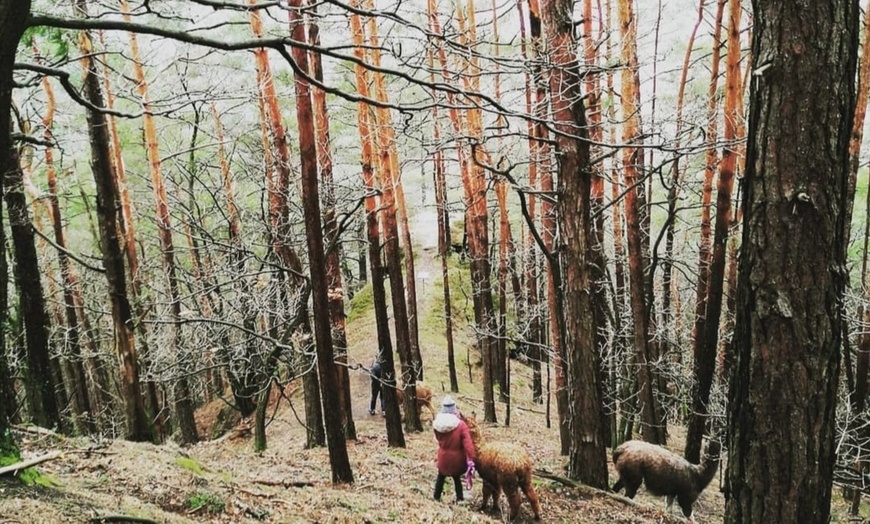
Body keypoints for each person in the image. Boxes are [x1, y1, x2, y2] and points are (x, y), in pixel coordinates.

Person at [432, 396, 476, 503]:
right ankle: (460, 498)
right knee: (457, 478)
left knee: (441, 476)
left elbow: (438, 438)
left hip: (443, 456)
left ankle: (436, 497)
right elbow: (468, 444)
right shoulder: (460, 425)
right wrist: (472, 457)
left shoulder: (437, 424)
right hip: (457, 459)